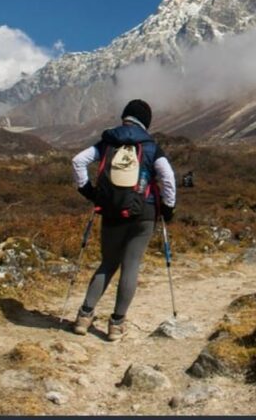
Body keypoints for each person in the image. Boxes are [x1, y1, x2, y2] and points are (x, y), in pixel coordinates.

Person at [70, 99, 176, 341]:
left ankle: (84, 317)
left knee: (108, 263)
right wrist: (168, 208)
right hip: (144, 213)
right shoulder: (151, 146)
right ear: (146, 121)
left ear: (125, 117)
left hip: (111, 211)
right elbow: (168, 178)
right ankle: (116, 324)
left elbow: (78, 161)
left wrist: (88, 191)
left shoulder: (108, 142)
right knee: (131, 266)